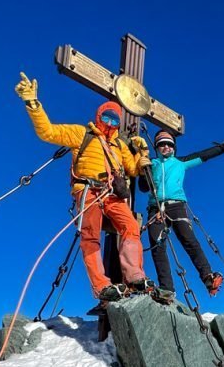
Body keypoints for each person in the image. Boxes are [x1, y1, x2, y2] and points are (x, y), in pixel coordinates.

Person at [14, 72, 152, 302]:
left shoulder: (119, 145)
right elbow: (47, 131)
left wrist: (142, 152)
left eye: (114, 120)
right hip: (88, 190)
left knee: (131, 227)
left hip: (112, 194)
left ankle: (135, 276)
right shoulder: (81, 134)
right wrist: (33, 103)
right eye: (106, 118)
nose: (110, 123)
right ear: (99, 116)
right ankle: (101, 286)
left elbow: (134, 169)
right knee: (90, 236)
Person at [140, 129, 224, 301]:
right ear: (156, 147)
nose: (165, 147)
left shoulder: (180, 162)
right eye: (161, 144)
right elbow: (143, 187)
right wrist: (143, 169)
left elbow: (202, 156)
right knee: (157, 247)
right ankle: (167, 289)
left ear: (174, 147)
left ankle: (208, 277)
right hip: (155, 208)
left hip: (176, 205)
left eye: (169, 144)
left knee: (189, 240)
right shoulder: (151, 164)